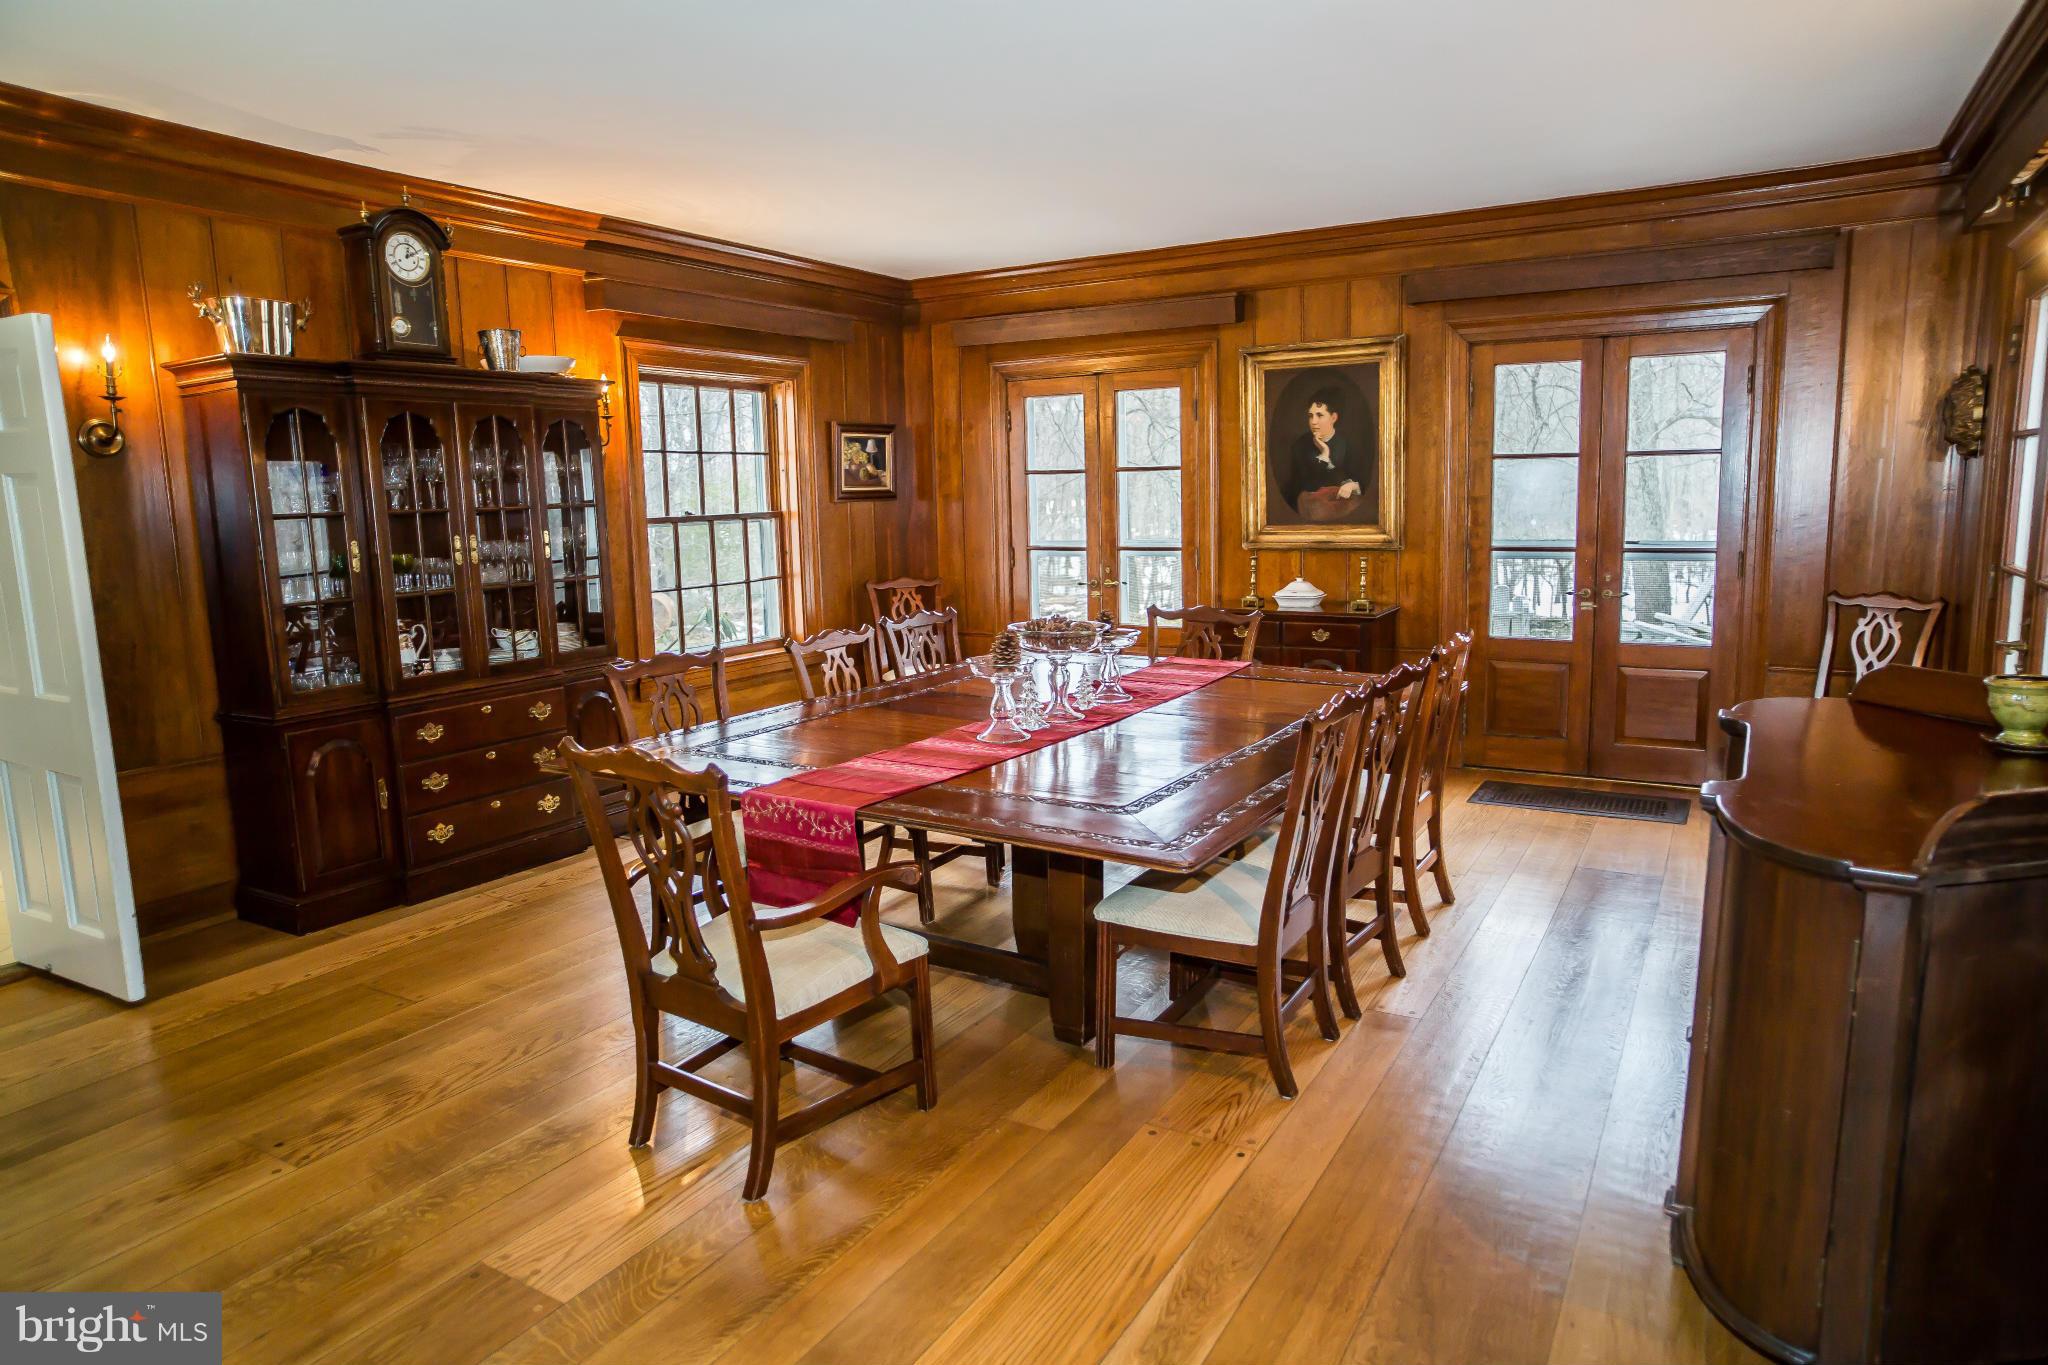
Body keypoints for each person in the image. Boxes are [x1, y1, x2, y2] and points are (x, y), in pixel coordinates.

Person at [1279, 386, 1372, 521]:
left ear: (1333, 417)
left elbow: (1361, 483)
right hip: (1310, 509)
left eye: (1319, 415)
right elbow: (1300, 486)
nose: (1313, 422)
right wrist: (1325, 455)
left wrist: (1352, 485)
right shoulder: (1300, 446)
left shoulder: (1349, 445)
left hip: (1342, 508)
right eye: (1311, 416)